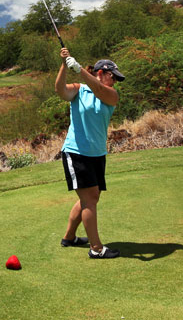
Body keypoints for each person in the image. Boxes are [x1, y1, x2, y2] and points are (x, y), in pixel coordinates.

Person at [55, 47, 125, 259]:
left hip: (97, 154)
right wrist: (65, 65)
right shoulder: (79, 89)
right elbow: (60, 91)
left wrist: (80, 70)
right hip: (76, 152)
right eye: (112, 77)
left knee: (91, 197)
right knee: (90, 199)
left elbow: (103, 93)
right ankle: (96, 248)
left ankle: (69, 237)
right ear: (102, 73)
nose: (114, 82)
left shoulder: (111, 95)